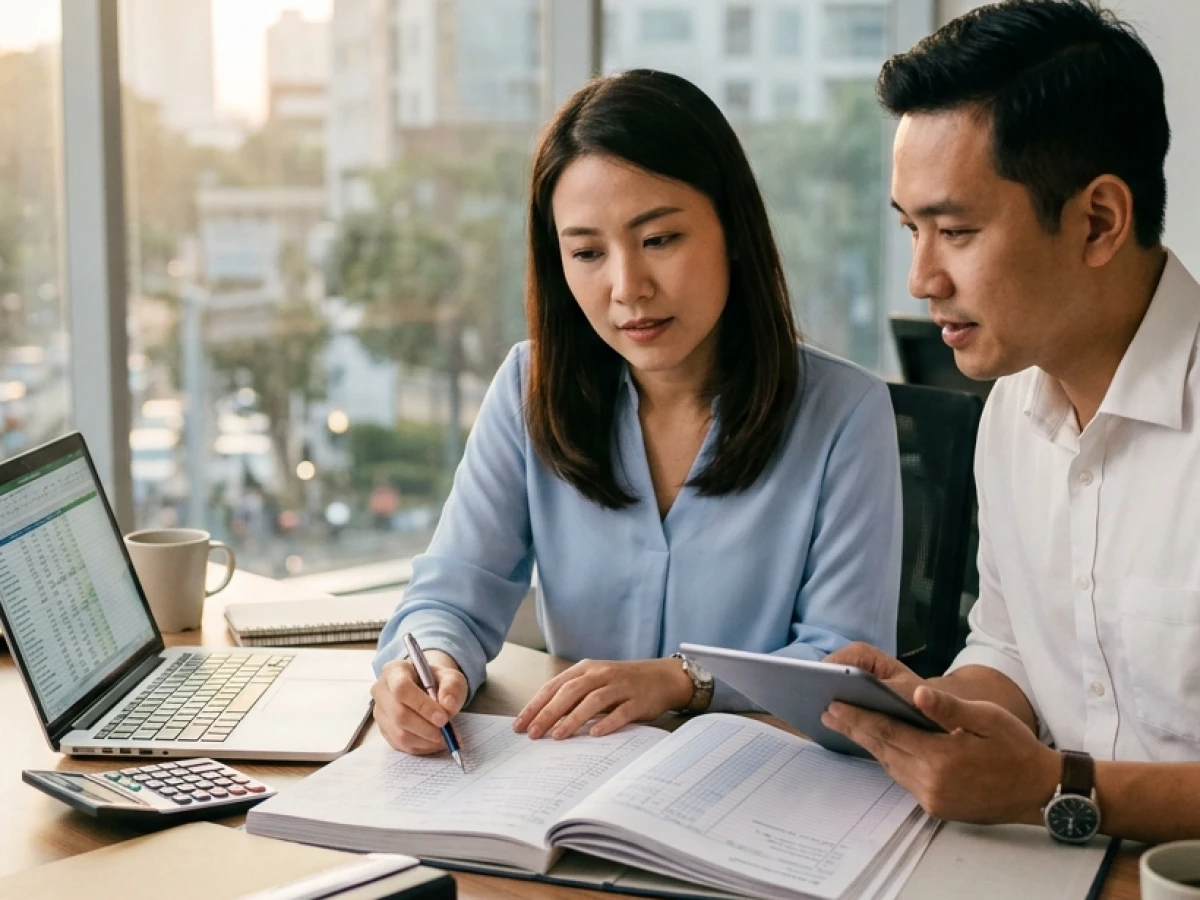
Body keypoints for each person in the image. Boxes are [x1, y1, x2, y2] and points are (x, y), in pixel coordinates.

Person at [372, 69, 902, 757]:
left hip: (754, 793)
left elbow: (847, 665)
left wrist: (683, 681)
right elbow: (451, 594)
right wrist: (428, 666)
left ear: (732, 230)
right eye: (588, 252)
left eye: (659, 240)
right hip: (570, 789)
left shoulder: (845, 413)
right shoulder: (529, 388)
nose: (629, 288)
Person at [821, 0, 1200, 844]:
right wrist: (934, 711)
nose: (921, 277)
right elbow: (1014, 647)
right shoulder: (1010, 412)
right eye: (911, 228)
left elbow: (1058, 782)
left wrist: (1056, 788)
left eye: (955, 230)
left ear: (1099, 221)